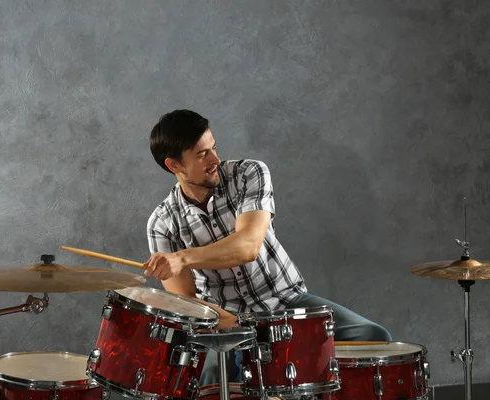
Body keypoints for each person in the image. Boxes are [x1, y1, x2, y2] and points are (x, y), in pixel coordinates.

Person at [144, 109, 391, 386]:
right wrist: (232, 325)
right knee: (210, 379)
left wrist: (183, 258)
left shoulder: (249, 173)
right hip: (225, 319)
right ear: (174, 166)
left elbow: (247, 245)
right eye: (202, 155)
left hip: (285, 300)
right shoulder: (161, 223)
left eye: (214, 148)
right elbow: (187, 303)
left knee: (374, 337)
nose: (215, 159)